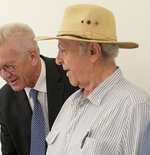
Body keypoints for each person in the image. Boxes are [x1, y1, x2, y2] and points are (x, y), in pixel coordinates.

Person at [35, 4, 150, 155]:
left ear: (93, 51)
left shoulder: (135, 107)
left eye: (63, 50)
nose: (58, 60)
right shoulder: (70, 103)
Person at [0, 23, 78, 155]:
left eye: (9, 67)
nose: (4, 75)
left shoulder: (72, 78)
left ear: (32, 56)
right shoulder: (4, 99)